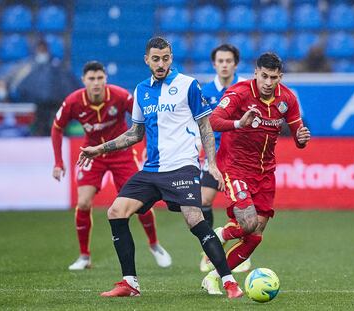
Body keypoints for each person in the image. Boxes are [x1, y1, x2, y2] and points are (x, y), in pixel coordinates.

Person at [77, 37, 243, 298]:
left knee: (194, 220)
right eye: (156, 59)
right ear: (147, 60)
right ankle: (130, 283)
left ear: (171, 57)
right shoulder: (141, 90)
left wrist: (212, 164)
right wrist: (100, 148)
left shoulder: (188, 85)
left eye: (166, 58)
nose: (161, 63)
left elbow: (205, 126)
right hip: (152, 170)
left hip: (182, 167)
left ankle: (229, 281)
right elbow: (134, 133)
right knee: (116, 211)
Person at [201, 52, 311, 294]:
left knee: (255, 236)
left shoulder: (288, 99)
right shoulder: (240, 93)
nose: (268, 83)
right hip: (236, 168)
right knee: (249, 223)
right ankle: (221, 233)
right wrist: (239, 123)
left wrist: (302, 139)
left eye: (273, 77)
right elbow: (214, 121)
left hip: (266, 173)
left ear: (280, 77)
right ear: (256, 73)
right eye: (264, 76)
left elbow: (298, 135)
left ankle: (214, 276)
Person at [51, 61, 172, 271]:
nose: (96, 83)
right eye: (91, 79)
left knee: (141, 204)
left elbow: (144, 118)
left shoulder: (120, 95)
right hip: (91, 154)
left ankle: (154, 245)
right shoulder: (73, 101)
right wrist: (59, 162)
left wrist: (149, 146)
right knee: (84, 203)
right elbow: (57, 128)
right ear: (84, 81)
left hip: (121, 154)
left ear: (105, 78)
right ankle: (84, 256)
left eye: (99, 78)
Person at [199, 44, 251, 273]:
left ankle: (241, 252)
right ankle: (208, 251)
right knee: (203, 201)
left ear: (235, 64)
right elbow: (198, 122)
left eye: (228, 61)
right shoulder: (204, 91)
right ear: (214, 64)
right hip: (214, 154)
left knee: (242, 207)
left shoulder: (246, 88)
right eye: (220, 61)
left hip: (240, 156)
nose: (224, 65)